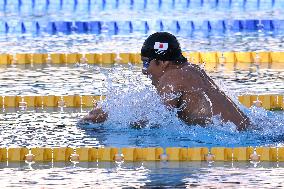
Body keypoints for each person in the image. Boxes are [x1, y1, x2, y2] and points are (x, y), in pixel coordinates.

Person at [81, 32, 250, 131]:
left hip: (234, 137)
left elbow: (158, 122)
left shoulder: (171, 77)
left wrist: (110, 120)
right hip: (246, 130)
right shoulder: (191, 70)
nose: (144, 70)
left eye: (147, 62)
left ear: (162, 62)